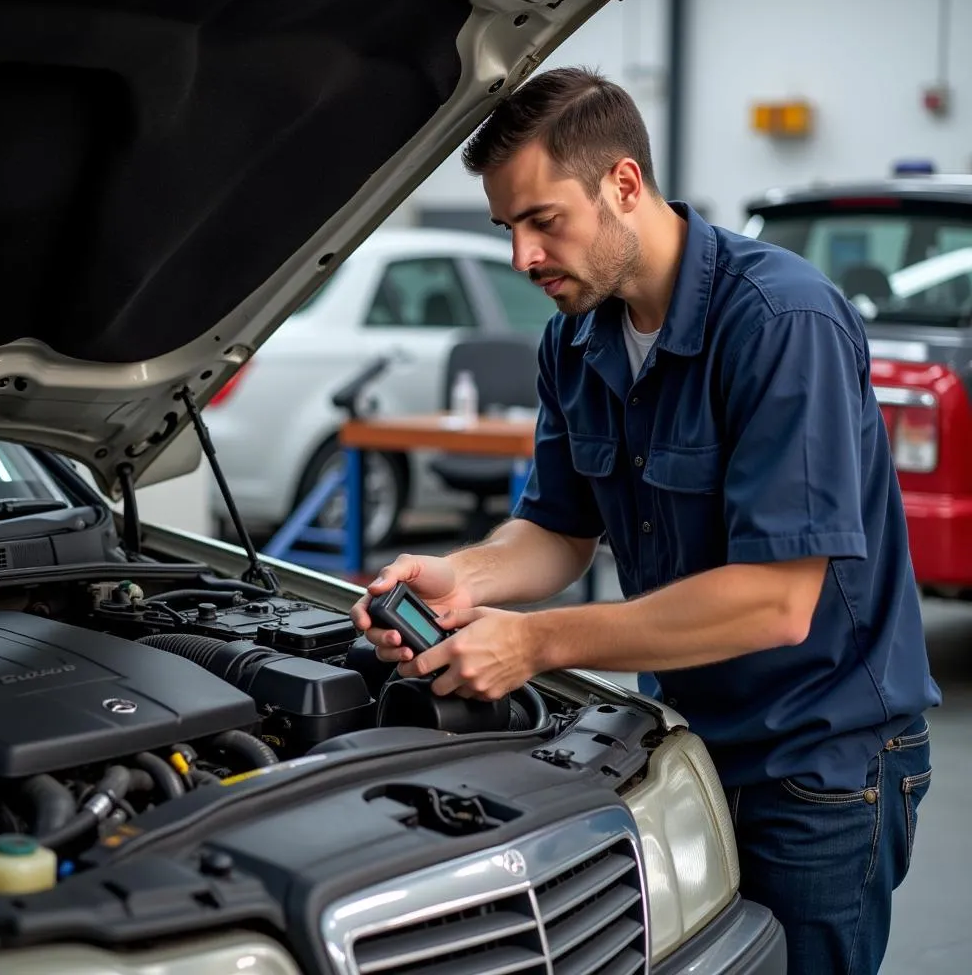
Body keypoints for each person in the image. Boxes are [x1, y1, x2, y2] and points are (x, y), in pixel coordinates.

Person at [351, 66, 940, 974]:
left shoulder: (784, 321)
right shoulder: (575, 340)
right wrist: (461, 576)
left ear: (624, 183)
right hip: (680, 747)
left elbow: (774, 604)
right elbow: (557, 530)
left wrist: (536, 644)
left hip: (818, 767)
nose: (523, 258)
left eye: (545, 221)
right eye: (509, 228)